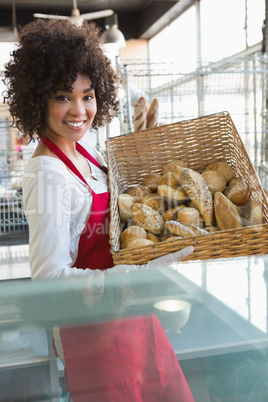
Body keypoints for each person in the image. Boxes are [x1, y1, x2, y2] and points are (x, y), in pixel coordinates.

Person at [2, 18, 195, 401]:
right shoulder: (47, 173)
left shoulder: (83, 151)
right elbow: (49, 278)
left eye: (87, 95)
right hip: (98, 339)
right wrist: (132, 274)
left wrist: (141, 148)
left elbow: (119, 211)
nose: (79, 110)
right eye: (62, 96)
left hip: (135, 320)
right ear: (36, 98)